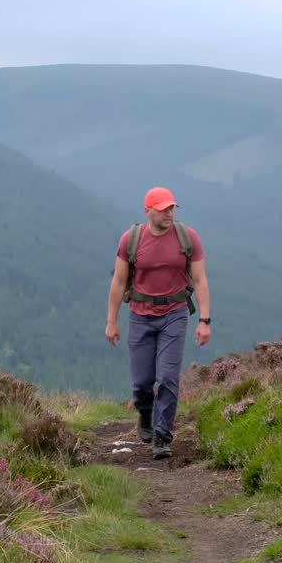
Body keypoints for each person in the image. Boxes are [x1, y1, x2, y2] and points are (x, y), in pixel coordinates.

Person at [106, 186, 211, 459]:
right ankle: (145, 414)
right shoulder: (131, 240)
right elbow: (118, 282)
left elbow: (199, 280)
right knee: (142, 382)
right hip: (140, 316)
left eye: (172, 208)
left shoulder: (188, 238)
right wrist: (112, 322)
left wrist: (204, 320)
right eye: (163, 208)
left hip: (174, 315)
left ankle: (162, 436)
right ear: (148, 210)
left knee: (167, 377)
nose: (169, 213)